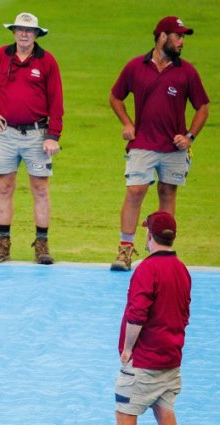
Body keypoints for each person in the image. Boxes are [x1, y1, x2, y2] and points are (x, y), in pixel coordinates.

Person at [81, 211, 190, 425]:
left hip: (144, 359)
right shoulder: (182, 269)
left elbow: (137, 314)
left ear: (150, 236)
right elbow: (183, 312)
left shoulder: (146, 269)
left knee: (126, 414)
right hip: (171, 358)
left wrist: (128, 348)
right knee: (165, 411)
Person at [108, 16, 209, 271]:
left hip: (174, 149)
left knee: (167, 193)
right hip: (143, 143)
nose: (182, 42)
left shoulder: (187, 71)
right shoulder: (135, 67)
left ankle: (162, 251)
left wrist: (190, 137)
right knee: (135, 192)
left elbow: (202, 107)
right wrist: (127, 123)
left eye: (183, 37)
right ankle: (125, 250)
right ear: (163, 36)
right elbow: (115, 97)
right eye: (178, 36)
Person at [0, 12, 64, 265]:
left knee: (41, 188)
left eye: (29, 31)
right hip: (6, 133)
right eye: (20, 30)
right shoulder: (1, 56)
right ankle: (3, 244)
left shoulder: (47, 61)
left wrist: (53, 135)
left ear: (36, 35)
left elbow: (56, 101)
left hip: (37, 134)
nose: (24, 34)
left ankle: (42, 245)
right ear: (14, 32)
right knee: (4, 186)